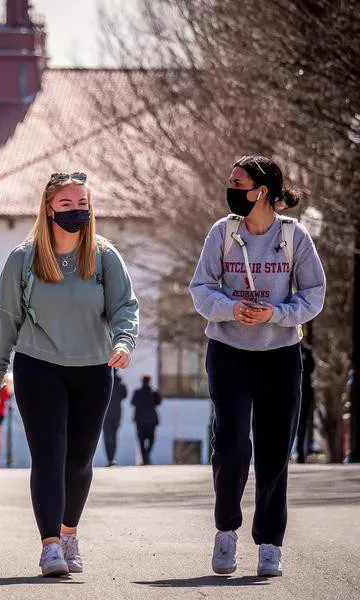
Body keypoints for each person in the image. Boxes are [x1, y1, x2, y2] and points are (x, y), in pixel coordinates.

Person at [0, 171, 139, 577]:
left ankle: (69, 533)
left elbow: (125, 307)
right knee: (49, 455)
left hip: (93, 369)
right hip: (39, 367)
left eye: (82, 205)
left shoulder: (104, 256)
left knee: (80, 459)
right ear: (49, 208)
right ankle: (50, 545)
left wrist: (124, 342)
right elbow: (6, 319)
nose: (75, 211)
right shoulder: (24, 258)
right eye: (66, 205)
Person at [190, 155, 326, 578]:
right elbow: (200, 288)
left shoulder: (294, 236)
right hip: (229, 352)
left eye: (237, 182)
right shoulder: (223, 232)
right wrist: (232, 309)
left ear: (261, 190)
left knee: (274, 451)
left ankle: (269, 542)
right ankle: (226, 531)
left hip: (280, 355)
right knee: (230, 443)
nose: (230, 189)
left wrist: (275, 315)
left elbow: (313, 295)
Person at [131, 375, 162, 465]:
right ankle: (146, 455)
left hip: (140, 420)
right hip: (151, 420)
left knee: (141, 440)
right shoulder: (153, 392)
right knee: (151, 439)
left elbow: (133, 402)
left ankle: (145, 457)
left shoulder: (138, 392)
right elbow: (158, 402)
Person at [295, 342, 316, 463]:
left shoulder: (306, 351)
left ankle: (300, 452)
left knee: (302, 422)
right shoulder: (283, 347)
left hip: (305, 391)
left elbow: (312, 368)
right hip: (290, 389)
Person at [103, 373, 127, 466]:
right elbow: (125, 395)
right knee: (114, 437)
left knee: (107, 437)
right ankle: (112, 458)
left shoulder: (105, 381)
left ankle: (110, 459)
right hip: (117, 414)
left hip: (106, 413)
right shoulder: (121, 385)